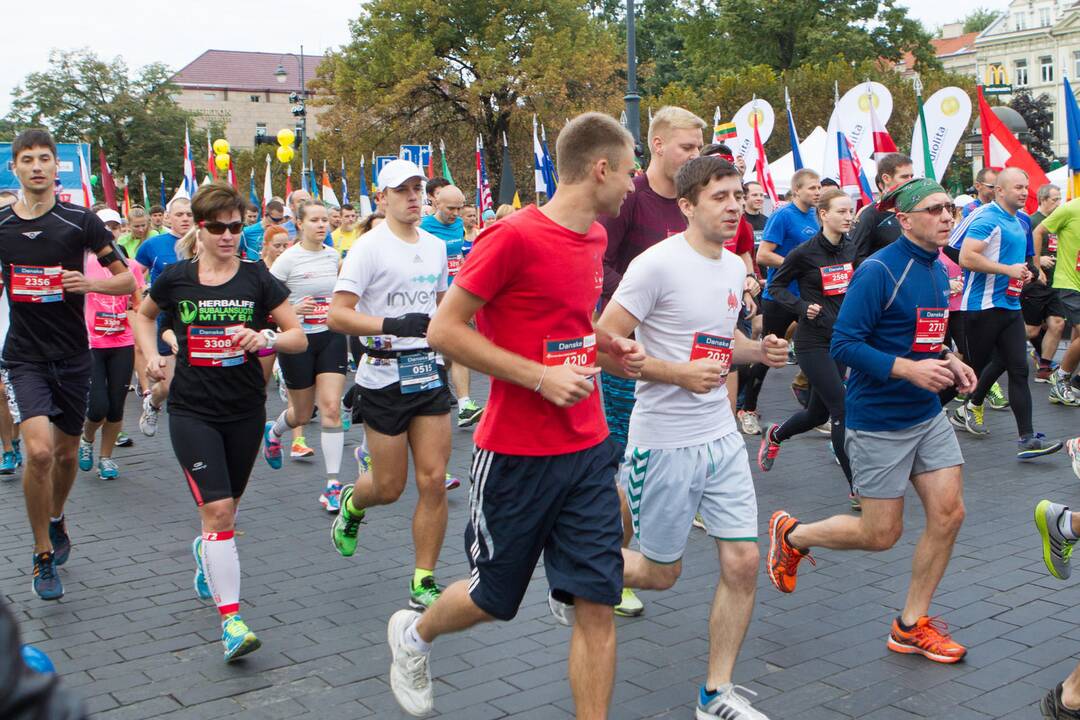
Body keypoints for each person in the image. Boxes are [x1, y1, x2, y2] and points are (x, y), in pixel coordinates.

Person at [381, 112, 643, 719]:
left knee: (598, 604)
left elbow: (566, 326)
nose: (632, 185)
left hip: (586, 446)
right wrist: (539, 377)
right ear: (600, 169)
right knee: (492, 599)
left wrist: (606, 347)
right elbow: (445, 331)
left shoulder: (597, 238)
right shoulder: (512, 237)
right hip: (517, 455)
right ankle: (413, 636)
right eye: (628, 172)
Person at [595, 155, 785, 720]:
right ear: (687, 206)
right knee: (660, 572)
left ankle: (715, 694)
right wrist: (675, 374)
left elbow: (714, 346)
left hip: (721, 438)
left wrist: (758, 351)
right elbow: (603, 346)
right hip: (665, 442)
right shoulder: (656, 265)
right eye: (720, 197)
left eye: (737, 195)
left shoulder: (731, 268)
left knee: (744, 563)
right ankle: (573, 562)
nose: (733, 207)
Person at [767, 178, 976, 665]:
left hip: (925, 415)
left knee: (950, 514)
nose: (947, 216)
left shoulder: (939, 269)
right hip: (879, 419)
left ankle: (910, 625)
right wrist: (907, 369)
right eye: (934, 209)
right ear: (904, 220)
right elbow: (843, 345)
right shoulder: (879, 270)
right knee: (881, 534)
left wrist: (951, 358)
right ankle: (793, 535)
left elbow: (922, 333)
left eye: (949, 207)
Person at [133, 182, 305, 661]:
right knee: (220, 509)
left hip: (245, 409)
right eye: (219, 227)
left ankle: (207, 554)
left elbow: (298, 338)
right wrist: (151, 357)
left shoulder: (257, 279)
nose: (229, 235)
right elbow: (142, 316)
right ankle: (231, 621)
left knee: (226, 510)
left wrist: (264, 338)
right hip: (192, 410)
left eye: (236, 226)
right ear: (201, 230)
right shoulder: (175, 277)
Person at [0, 129, 136, 600]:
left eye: (45, 159)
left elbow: (127, 284)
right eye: (27, 160)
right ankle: (41, 555)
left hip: (75, 356)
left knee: (62, 455)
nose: (37, 167)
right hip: (23, 358)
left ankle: (57, 518)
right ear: (14, 168)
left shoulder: (81, 221)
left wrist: (89, 285)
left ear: (57, 168)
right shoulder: (1, 225)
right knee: (37, 453)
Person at [327, 159, 454, 612]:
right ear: (381, 198)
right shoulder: (368, 248)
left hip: (426, 371)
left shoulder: (436, 247)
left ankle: (424, 578)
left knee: (434, 480)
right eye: (402, 191)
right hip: (381, 375)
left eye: (418, 189)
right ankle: (352, 503)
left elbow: (445, 306)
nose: (413, 197)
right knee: (388, 486)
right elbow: (337, 315)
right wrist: (392, 323)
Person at [948, 167, 1062, 458]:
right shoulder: (986, 218)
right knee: (967, 371)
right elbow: (965, 256)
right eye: (1017, 188)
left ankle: (1027, 439)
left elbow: (1018, 260)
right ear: (999, 191)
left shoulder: (1021, 220)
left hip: (1010, 306)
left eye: (1026, 187)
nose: (1024, 192)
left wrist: (1027, 273)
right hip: (980, 307)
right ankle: (921, 415)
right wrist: (1005, 270)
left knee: (1019, 370)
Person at [758, 188, 859, 507]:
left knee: (817, 412)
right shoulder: (804, 253)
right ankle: (857, 487)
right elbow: (774, 285)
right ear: (823, 215)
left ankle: (775, 435)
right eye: (841, 211)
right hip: (812, 341)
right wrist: (802, 307)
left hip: (840, 339)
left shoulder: (851, 248)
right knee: (841, 407)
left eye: (850, 211)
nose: (848, 216)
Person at [264, 201, 349, 512]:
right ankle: (274, 431)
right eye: (314, 220)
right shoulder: (287, 261)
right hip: (298, 342)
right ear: (299, 224)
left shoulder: (332, 255)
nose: (321, 225)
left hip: (331, 337)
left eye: (325, 220)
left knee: (330, 409)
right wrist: (292, 312)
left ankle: (332, 485)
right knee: (301, 414)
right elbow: (267, 305)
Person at [739, 168, 821, 433]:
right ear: (796, 190)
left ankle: (818, 408)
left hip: (807, 298)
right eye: (812, 188)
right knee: (768, 354)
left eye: (819, 187)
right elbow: (763, 255)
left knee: (820, 349)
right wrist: (798, 265)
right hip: (780, 296)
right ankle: (747, 409)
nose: (817, 192)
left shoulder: (815, 216)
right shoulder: (783, 216)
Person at [78, 243, 146, 481]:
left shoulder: (132, 267)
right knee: (98, 406)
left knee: (116, 406)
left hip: (122, 343)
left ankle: (105, 458)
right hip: (92, 344)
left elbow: (139, 304)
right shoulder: (85, 264)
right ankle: (86, 440)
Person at [420, 184, 485, 428]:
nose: (456, 213)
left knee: (456, 348)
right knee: (444, 353)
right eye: (450, 208)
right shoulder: (424, 229)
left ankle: (465, 404)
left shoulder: (460, 226)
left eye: (459, 208)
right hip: (433, 297)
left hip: (458, 296)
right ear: (436, 204)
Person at [135, 196, 192, 427]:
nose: (185, 219)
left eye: (189, 214)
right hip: (164, 320)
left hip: (195, 321)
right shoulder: (153, 245)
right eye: (179, 214)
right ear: (168, 218)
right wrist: (141, 300)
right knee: (166, 386)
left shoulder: (203, 242)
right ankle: (153, 403)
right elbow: (136, 275)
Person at [1036, 195, 1080, 407]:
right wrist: (1037, 266)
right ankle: (1060, 378)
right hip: (1069, 283)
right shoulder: (1070, 209)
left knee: (1077, 336)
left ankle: (1071, 382)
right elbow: (1038, 231)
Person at [850, 153, 914, 262]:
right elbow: (855, 257)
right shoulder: (870, 215)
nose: (910, 181)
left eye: (911, 176)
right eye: (904, 177)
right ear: (886, 178)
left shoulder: (914, 211)